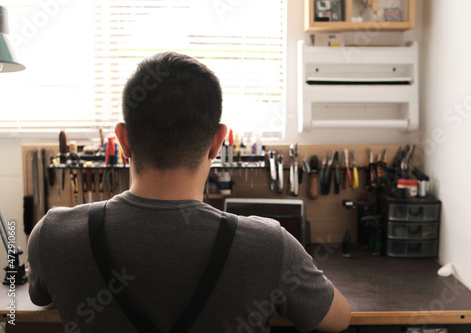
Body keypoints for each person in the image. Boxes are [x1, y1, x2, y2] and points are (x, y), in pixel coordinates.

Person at [28, 52, 351, 332]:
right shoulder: (269, 246)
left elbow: (39, 297)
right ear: (217, 142)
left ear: (123, 140)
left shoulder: (53, 234)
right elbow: (338, 320)